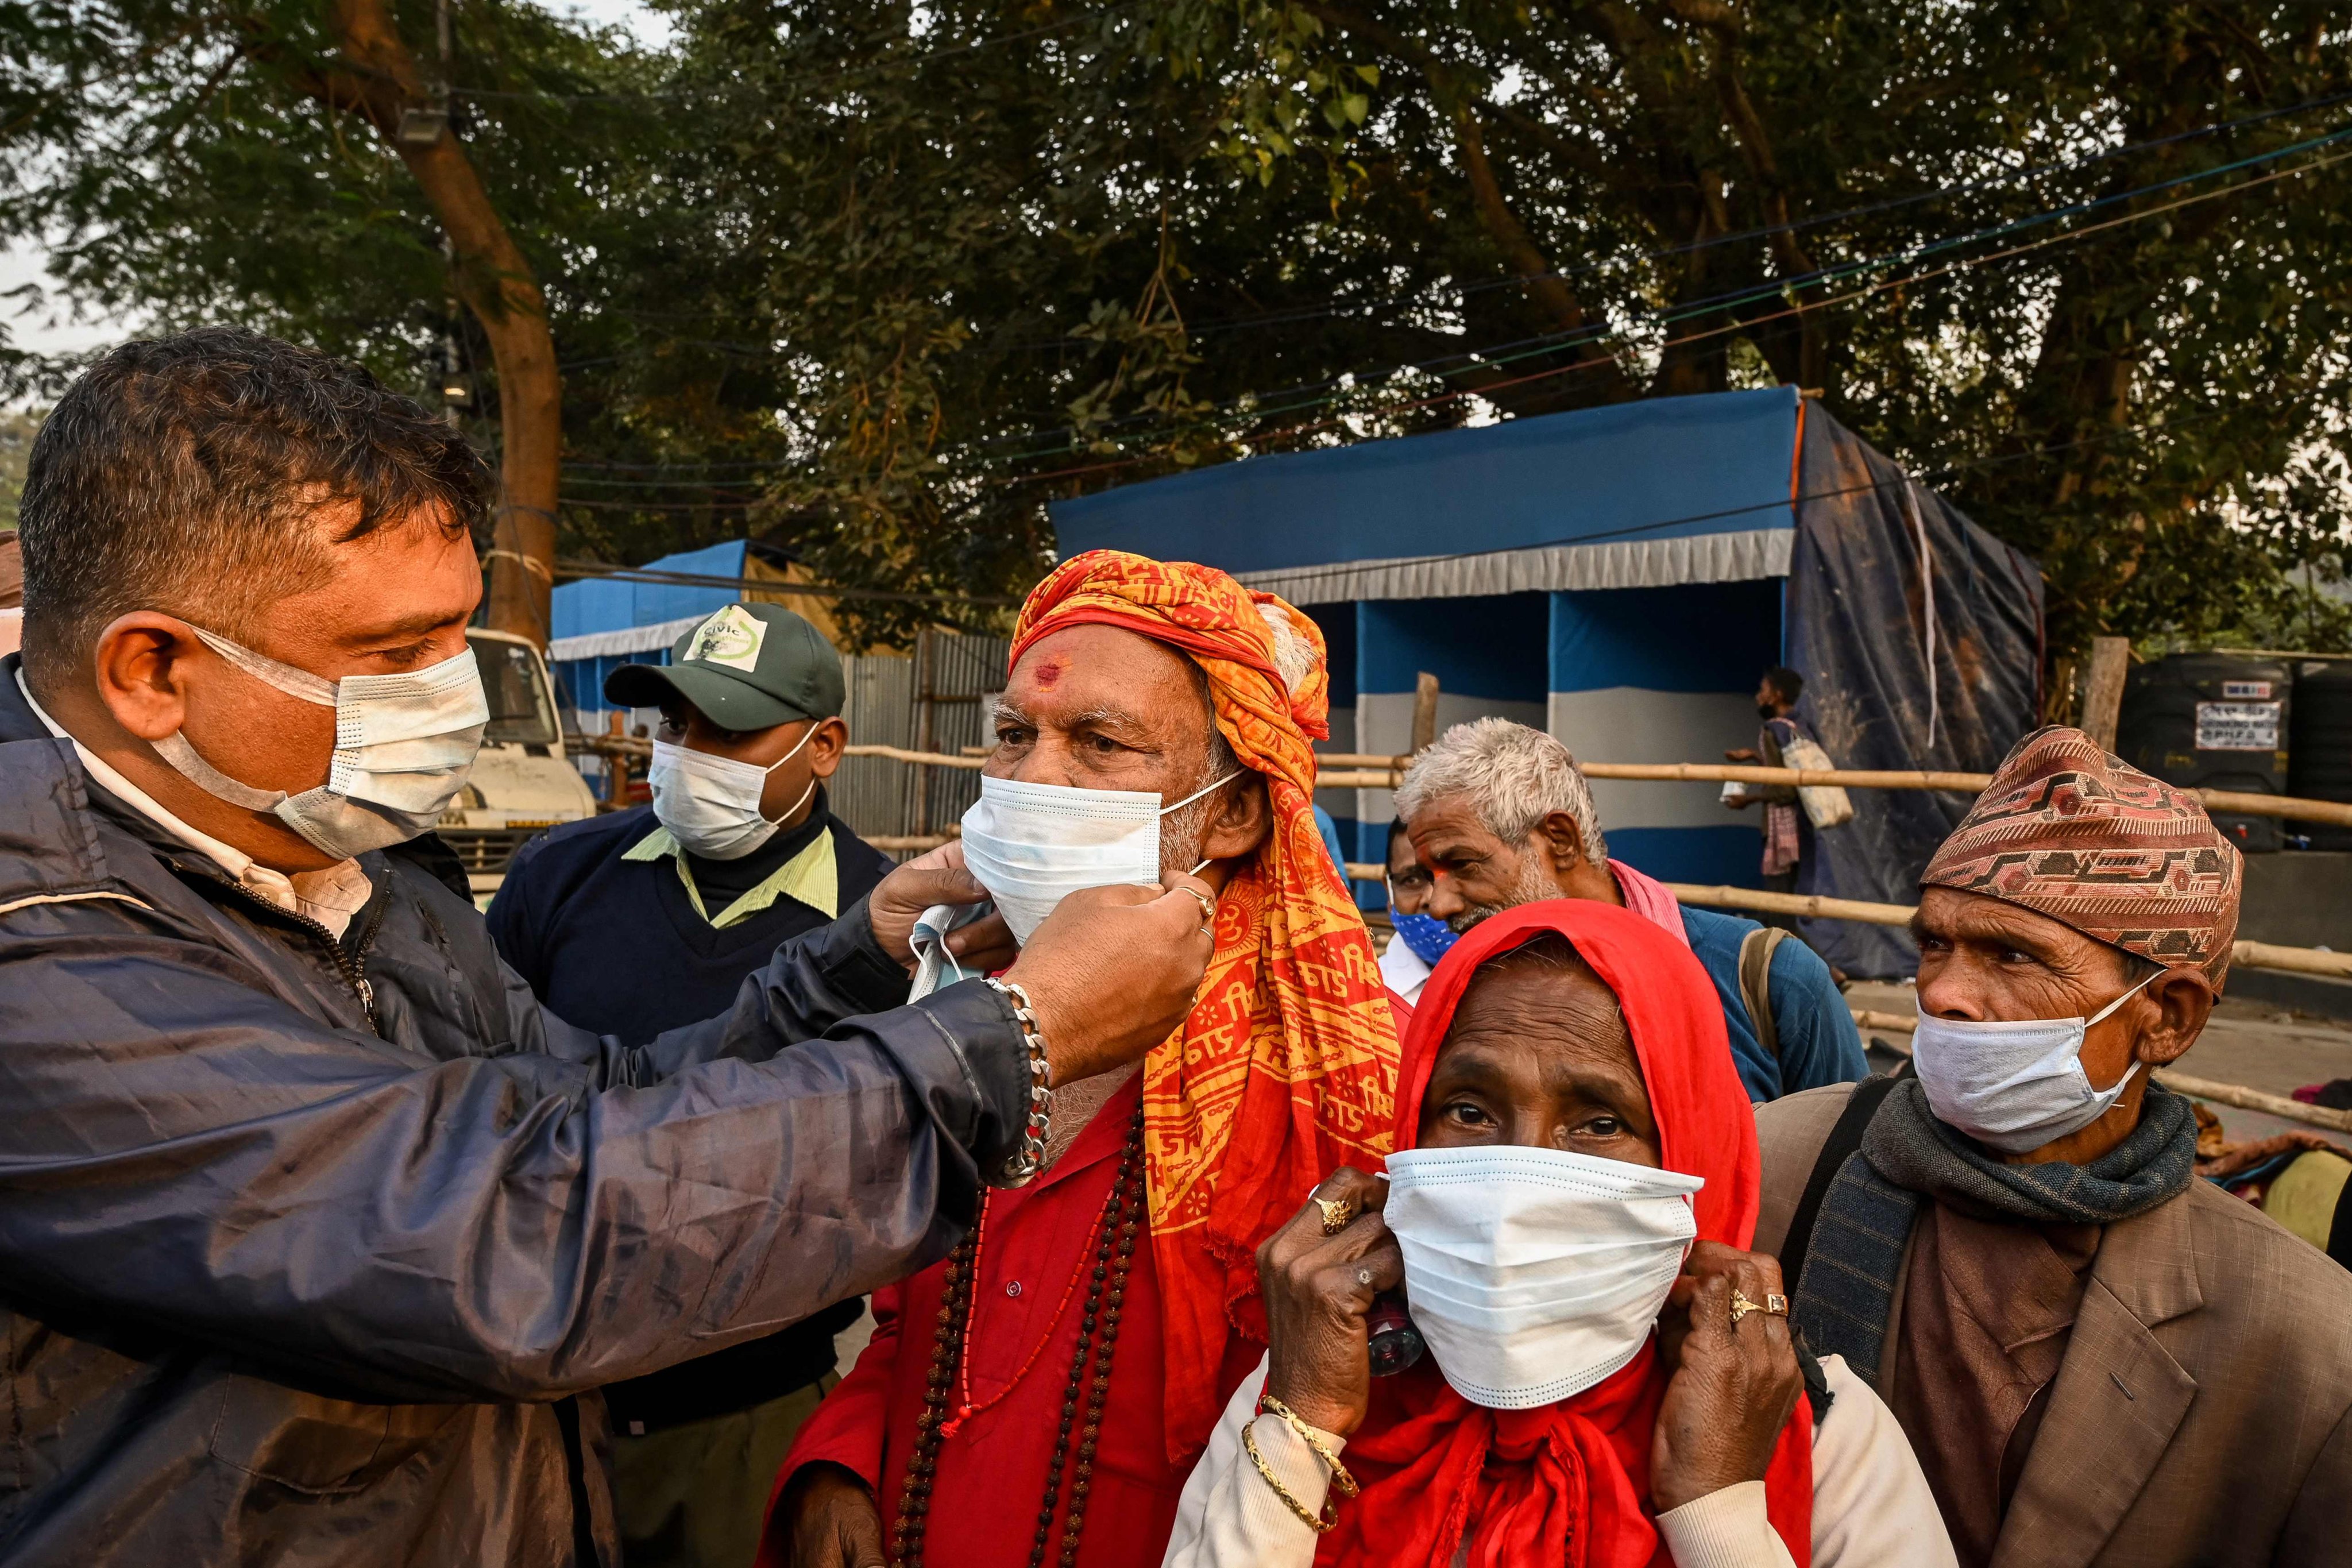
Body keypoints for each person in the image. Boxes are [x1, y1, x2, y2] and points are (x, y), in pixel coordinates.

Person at [0, 329, 1216, 1566]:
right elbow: (500, 1229)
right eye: (390, 656)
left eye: (455, 636)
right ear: (152, 670)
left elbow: (602, 1104)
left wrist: (860, 960)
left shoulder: (353, 873)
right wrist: (1009, 1040)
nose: (453, 696)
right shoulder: (43, 959)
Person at [766, 550, 1402, 1568]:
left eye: (1100, 742)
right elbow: (902, 1326)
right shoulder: (956, 1013)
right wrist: (842, 1456)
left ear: (1233, 813)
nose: (1034, 777)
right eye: (1014, 735)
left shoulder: (1342, 1099)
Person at [1164, 898, 1955, 1567]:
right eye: (1467, 1111)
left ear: (1694, 1146)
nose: (1517, 1177)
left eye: (1598, 1122)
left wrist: (1717, 1511)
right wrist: (1301, 1435)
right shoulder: (1310, 1386)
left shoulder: (1823, 1438)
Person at [1756, 727, 2352, 1566]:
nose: (1944, 993)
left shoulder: (2304, 1344)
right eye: (1935, 943)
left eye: (2011, 954)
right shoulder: (1773, 1171)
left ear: (2168, 1016)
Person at [486, 600, 894, 1568]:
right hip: (532, 1408)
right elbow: (480, 1092)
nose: (689, 752)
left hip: (743, 1416)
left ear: (824, 746)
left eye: (729, 730)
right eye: (676, 725)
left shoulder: (884, 923)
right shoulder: (557, 876)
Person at [1394, 717, 1866, 1102]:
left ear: (1558, 841)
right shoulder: (1461, 993)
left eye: (1462, 864)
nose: (1438, 905)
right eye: (1426, 875)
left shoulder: (1768, 980)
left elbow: (1845, 1174)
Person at [1725, 666, 1810, 914]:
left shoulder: (1772, 729)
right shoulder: (1796, 727)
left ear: (1777, 695)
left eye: (1764, 690)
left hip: (1782, 833)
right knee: (1793, 900)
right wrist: (1755, 756)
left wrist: (1748, 800)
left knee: (1780, 904)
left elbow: (1785, 791)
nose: (1758, 696)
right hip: (1801, 830)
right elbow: (1788, 773)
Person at [1375, 818, 1451, 1006]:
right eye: (1412, 880)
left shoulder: (1527, 982)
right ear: (1389, 890)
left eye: (1455, 873)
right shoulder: (1367, 996)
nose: (1434, 901)